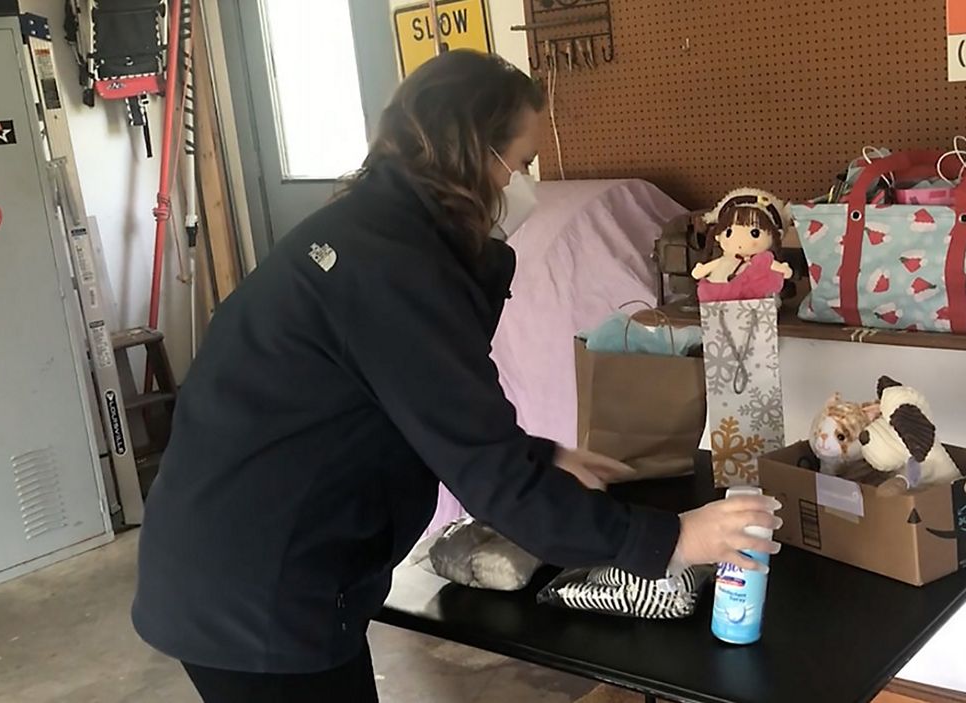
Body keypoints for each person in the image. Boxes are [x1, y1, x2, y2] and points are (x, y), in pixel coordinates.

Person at [131, 50, 780, 703]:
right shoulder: (394, 271)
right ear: (473, 153)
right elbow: (490, 475)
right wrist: (674, 539)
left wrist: (541, 456)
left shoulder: (382, 235)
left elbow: (430, 411)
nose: (526, 185)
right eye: (522, 163)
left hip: (242, 565)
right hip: (256, 592)